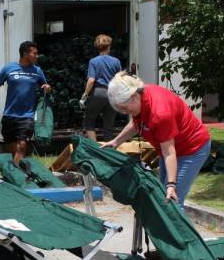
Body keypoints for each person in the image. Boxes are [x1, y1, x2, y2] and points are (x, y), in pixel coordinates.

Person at [104, 71, 211, 210]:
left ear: (134, 97)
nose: (125, 112)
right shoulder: (141, 98)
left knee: (171, 201)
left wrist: (171, 185)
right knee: (161, 195)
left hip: (191, 149)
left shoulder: (160, 113)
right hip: (169, 149)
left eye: (124, 108)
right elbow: (137, 124)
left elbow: (169, 153)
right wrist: (116, 142)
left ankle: (177, 231)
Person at [0, 41, 52, 163]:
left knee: (22, 146)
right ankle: (16, 169)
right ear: (25, 54)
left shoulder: (37, 71)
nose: (36, 56)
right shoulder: (8, 68)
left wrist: (47, 88)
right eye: (34, 53)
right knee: (13, 148)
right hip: (9, 115)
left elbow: (45, 86)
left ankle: (16, 172)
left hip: (27, 116)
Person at [80, 34, 122, 141]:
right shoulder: (116, 61)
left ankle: (95, 150)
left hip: (98, 93)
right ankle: (108, 153)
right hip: (112, 95)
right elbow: (120, 80)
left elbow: (91, 80)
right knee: (109, 126)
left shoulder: (93, 61)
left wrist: (84, 96)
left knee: (89, 121)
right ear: (109, 47)